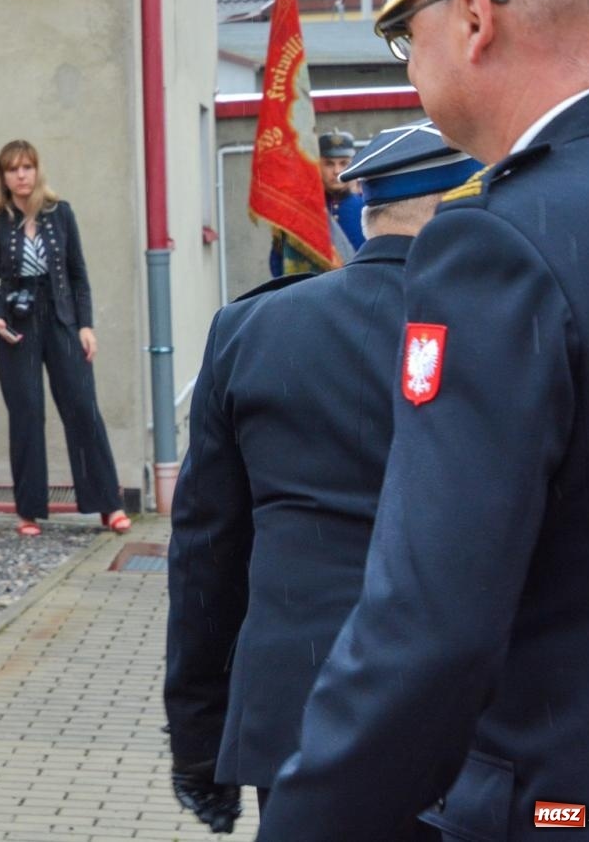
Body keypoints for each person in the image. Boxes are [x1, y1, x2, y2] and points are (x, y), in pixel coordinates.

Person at [259, 0, 589, 840]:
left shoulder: (497, 242)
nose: (409, 67)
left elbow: (428, 631)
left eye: (405, 31)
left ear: (471, 16)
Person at [165, 123, 479, 838]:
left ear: (368, 211)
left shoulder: (253, 328)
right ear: (459, 207)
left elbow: (206, 557)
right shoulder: (499, 322)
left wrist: (198, 743)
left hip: (299, 714)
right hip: (463, 724)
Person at [0, 140, 127, 537]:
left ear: (37, 170)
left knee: (82, 407)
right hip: (17, 326)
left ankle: (108, 506)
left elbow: (78, 273)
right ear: (4, 177)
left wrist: (85, 325)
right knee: (26, 413)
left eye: (27, 167)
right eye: (13, 169)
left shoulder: (60, 213)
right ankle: (28, 511)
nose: (21, 175)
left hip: (61, 318)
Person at [267, 130, 363, 277]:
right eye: (329, 164)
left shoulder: (367, 209)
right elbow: (280, 264)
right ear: (318, 166)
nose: (337, 171)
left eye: (343, 163)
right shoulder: (300, 213)